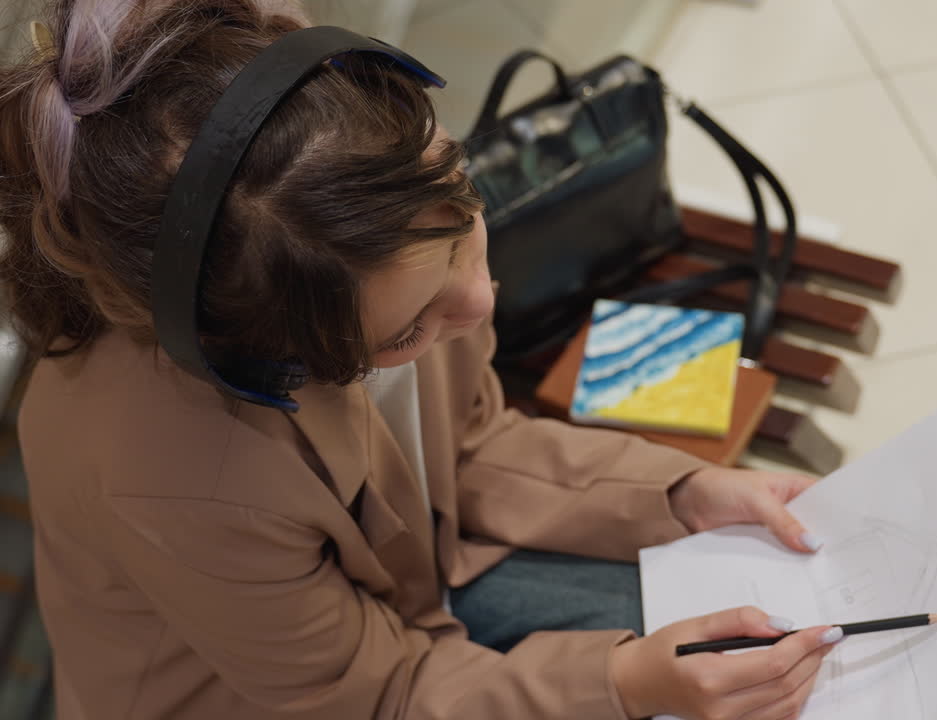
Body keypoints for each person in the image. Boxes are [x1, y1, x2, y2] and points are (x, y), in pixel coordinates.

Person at [0, 1, 843, 718]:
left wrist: (681, 495)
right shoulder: (185, 477)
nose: (480, 303)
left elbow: (467, 444)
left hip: (413, 585)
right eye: (408, 333)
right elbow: (381, 696)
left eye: (466, 210)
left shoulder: (385, 259)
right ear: (267, 355)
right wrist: (622, 683)